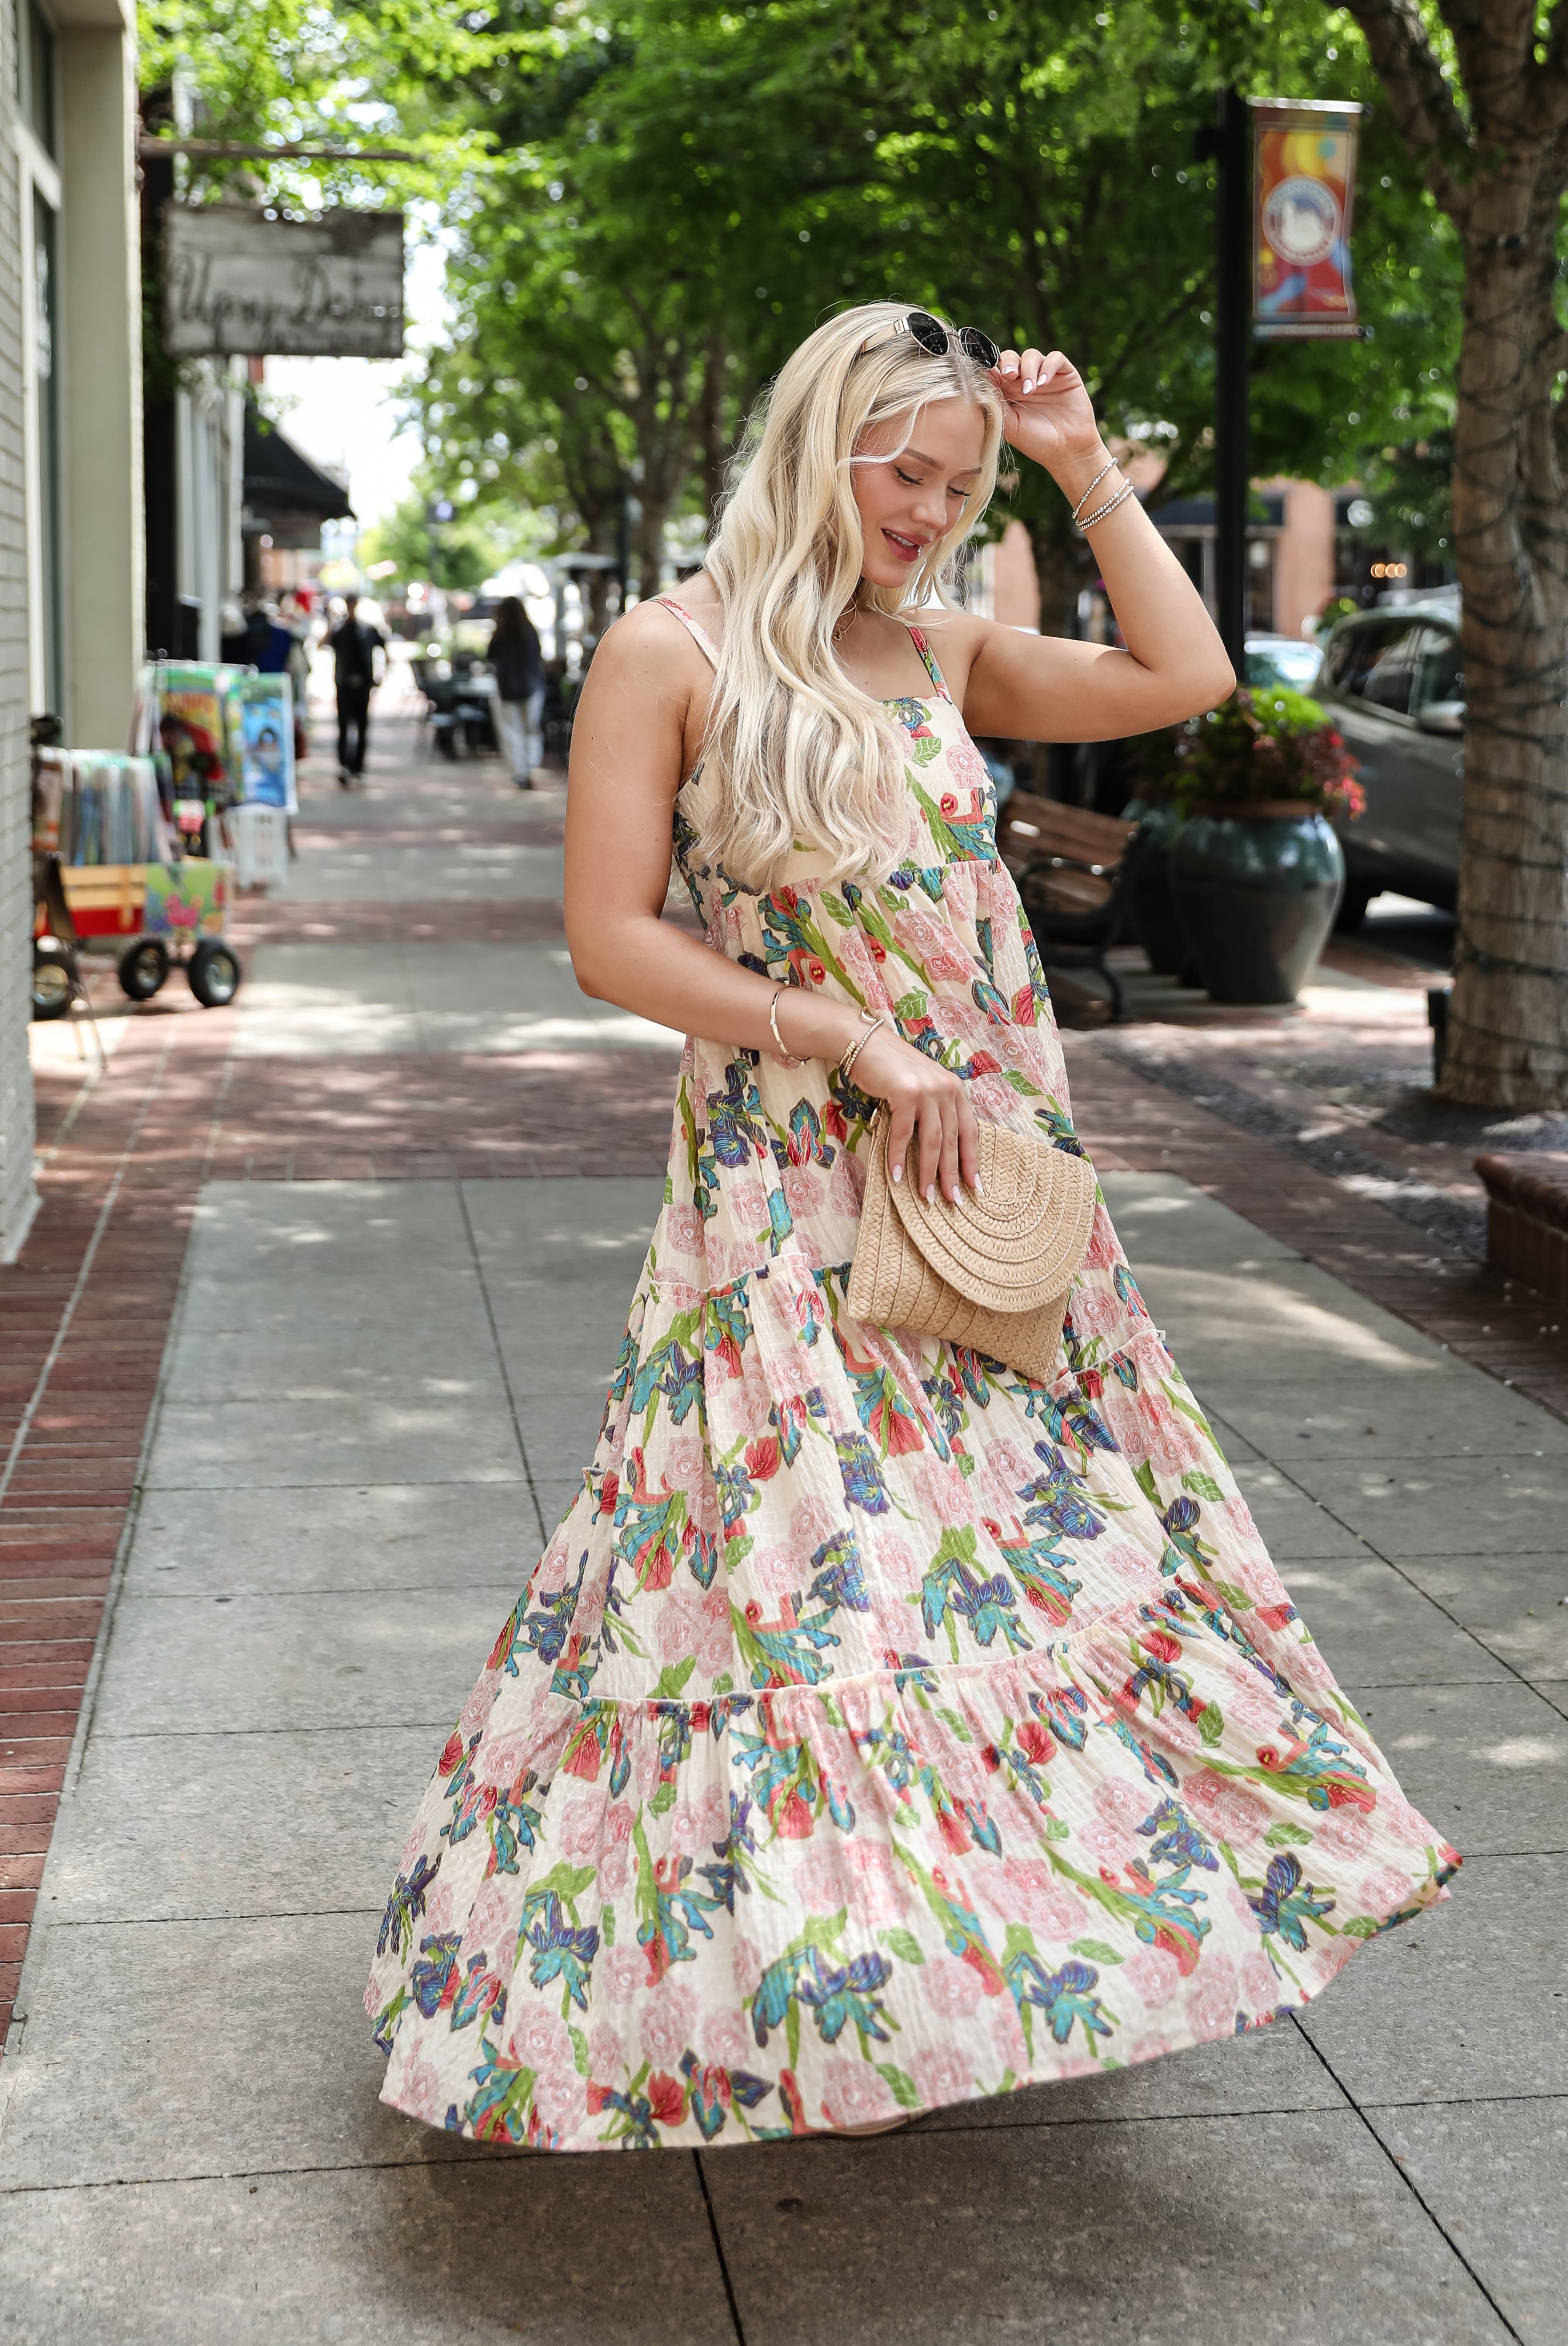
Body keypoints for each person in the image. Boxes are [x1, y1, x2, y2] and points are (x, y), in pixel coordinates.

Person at [367, 303, 1459, 2152]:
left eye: (957, 487)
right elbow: (608, 932)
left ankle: (973, 1940)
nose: (929, 513)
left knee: (1032, 1558)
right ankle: (811, 1969)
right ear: (819, 437)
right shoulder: (671, 648)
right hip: (787, 1192)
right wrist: (844, 1035)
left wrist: (1080, 468)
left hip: (990, 1192)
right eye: (906, 472)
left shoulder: (939, 649)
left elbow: (1179, 677)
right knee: (816, 1570)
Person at [486, 593, 547, 788]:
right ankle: (530, 766)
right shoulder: (530, 632)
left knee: (512, 732)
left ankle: (520, 771)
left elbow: (490, 655)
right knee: (531, 729)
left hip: (508, 690)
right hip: (532, 688)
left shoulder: (501, 635)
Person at [327, 595, 378, 785]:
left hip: (363, 685)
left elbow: (381, 648)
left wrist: (378, 677)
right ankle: (345, 765)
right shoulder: (340, 629)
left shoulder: (367, 630)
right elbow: (324, 643)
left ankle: (358, 766)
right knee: (344, 726)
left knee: (362, 726)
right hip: (344, 685)